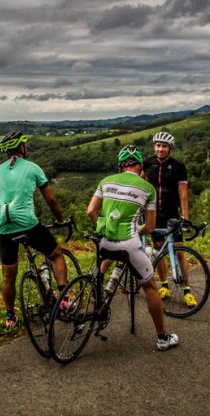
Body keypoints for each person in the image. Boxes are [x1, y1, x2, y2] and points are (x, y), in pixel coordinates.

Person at [87, 144, 179, 351]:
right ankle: (163, 338)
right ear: (139, 166)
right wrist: (137, 230)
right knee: (150, 287)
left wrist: (102, 227)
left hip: (104, 241)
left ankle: (96, 292)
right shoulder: (147, 188)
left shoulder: (105, 181)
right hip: (129, 243)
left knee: (103, 262)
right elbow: (151, 226)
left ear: (120, 166)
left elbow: (91, 211)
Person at [0, 131, 69, 330]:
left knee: (8, 275)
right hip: (26, 222)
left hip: (2, 224)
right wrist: (61, 218)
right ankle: (64, 298)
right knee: (56, 254)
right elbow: (50, 200)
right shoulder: (33, 168)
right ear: (21, 148)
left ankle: (10, 317)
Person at [142, 131, 195, 307]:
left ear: (170, 148)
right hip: (153, 214)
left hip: (172, 214)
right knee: (159, 251)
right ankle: (164, 285)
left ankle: (187, 290)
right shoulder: (147, 163)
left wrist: (185, 218)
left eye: (164, 146)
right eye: (158, 145)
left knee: (179, 252)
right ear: (154, 147)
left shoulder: (179, 166)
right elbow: (139, 185)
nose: (160, 149)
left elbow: (183, 194)